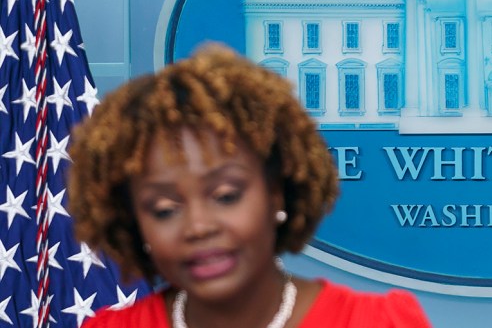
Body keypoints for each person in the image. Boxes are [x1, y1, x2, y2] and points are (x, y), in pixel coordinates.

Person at [70, 43, 431, 328]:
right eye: (164, 210)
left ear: (276, 191)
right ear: (134, 222)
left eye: (226, 196)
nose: (199, 226)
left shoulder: (380, 322)